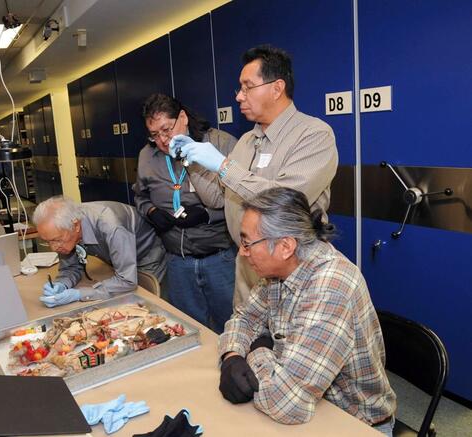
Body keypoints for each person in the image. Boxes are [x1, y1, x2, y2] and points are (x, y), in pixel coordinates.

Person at [170, 44, 338, 314]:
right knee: (244, 340)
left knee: (286, 348)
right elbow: (217, 198)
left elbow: (284, 200)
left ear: (276, 87)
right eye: (239, 88)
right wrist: (191, 160)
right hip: (248, 267)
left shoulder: (314, 135)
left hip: (292, 268)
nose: (239, 96)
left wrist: (223, 166)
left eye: (247, 87)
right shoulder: (247, 141)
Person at [217, 187, 396, 435]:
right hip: (309, 404)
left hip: (353, 423)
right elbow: (244, 318)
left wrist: (258, 349)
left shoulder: (330, 286)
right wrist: (232, 356)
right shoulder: (280, 269)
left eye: (247, 242)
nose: (242, 251)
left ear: (285, 246)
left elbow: (285, 404)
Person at [133, 93, 238, 333]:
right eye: (154, 134)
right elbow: (140, 195)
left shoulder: (221, 144)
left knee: (232, 328)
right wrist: (150, 211)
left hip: (220, 258)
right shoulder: (147, 156)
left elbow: (241, 200)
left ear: (182, 118)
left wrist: (207, 215)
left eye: (166, 130)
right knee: (189, 331)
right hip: (177, 262)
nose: (162, 140)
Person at [33, 196, 167, 306]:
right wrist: (62, 284)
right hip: (117, 257)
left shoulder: (111, 226)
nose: (53, 247)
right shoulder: (64, 230)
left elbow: (127, 281)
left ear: (76, 226)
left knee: (142, 306)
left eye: (56, 240)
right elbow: (71, 267)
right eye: (48, 241)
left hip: (146, 255)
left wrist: (80, 294)